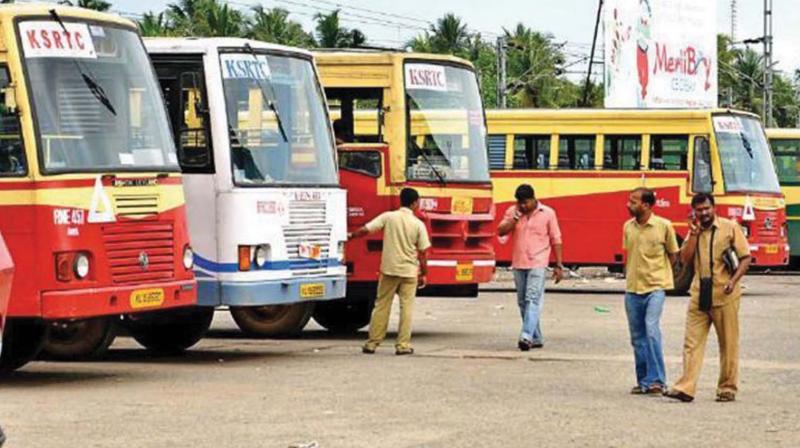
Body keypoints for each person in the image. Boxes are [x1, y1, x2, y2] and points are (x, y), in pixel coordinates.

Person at [665, 193, 751, 403]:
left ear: (714, 208)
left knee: (728, 344)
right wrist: (693, 235)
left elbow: (745, 258)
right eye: (699, 210)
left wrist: (734, 281)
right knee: (692, 343)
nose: (703, 213)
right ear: (694, 212)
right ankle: (686, 388)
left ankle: (727, 388)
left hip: (725, 294)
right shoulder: (694, 232)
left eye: (706, 209)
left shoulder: (730, 228)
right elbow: (684, 260)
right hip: (699, 294)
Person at [348, 188, 431, 355]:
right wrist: (424, 273)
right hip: (409, 272)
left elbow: (366, 229)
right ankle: (403, 345)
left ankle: (372, 343)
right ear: (415, 203)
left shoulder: (389, 217)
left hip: (389, 270)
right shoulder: (418, 224)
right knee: (406, 308)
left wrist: (351, 235)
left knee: (382, 305)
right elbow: (423, 252)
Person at [622, 188, 679, 395]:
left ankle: (657, 380)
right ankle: (644, 380)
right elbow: (629, 255)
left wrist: (662, 276)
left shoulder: (664, 226)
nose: (629, 205)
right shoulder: (628, 227)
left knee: (651, 330)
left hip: (655, 287)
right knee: (637, 337)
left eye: (633, 202)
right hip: (632, 289)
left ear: (646, 205)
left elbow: (673, 255)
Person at [497, 184, 564, 351]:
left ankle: (526, 336)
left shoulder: (548, 213)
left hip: (538, 262)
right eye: (520, 203)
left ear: (534, 199)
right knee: (522, 302)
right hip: (519, 262)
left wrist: (558, 264)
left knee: (532, 298)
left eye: (526, 202)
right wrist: (515, 218)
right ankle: (536, 337)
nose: (523, 206)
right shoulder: (513, 212)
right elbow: (501, 231)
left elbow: (556, 239)